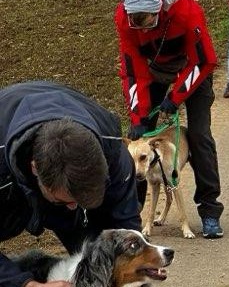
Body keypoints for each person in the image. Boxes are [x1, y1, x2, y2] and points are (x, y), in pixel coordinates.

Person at [0, 81, 141, 287]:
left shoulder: (114, 155)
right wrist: (26, 284)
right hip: (8, 187)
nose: (73, 207)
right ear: (34, 169)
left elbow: (125, 231)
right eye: (64, 200)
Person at [115, 0, 225, 239]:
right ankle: (133, 214)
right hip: (153, 70)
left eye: (148, 22)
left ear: (160, 8)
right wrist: (139, 113)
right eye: (136, 24)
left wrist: (176, 97)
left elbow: (203, 60)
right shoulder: (124, 18)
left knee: (199, 135)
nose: (142, 30)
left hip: (193, 67)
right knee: (139, 137)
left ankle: (209, 210)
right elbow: (132, 71)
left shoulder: (186, 11)